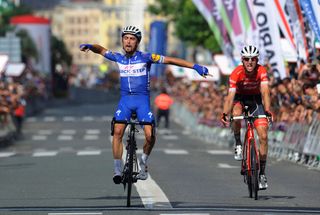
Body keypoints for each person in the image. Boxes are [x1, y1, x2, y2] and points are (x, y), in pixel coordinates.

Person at [80, 25, 209, 184]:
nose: (128, 41)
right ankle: (117, 169)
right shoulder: (118, 58)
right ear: (122, 40)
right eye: (125, 38)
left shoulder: (147, 57)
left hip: (142, 102)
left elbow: (170, 60)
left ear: (137, 42)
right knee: (118, 131)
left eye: (132, 39)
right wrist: (91, 46)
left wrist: (195, 67)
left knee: (150, 135)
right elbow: (101, 50)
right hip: (125, 102)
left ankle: (142, 162)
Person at [220, 45, 272, 190]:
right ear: (242, 60)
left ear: (257, 60)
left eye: (253, 59)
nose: (250, 62)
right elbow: (230, 97)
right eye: (247, 59)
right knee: (236, 114)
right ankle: (237, 143)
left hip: (255, 100)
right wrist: (225, 113)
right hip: (239, 99)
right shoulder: (236, 73)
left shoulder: (261, 71)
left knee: (263, 135)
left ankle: (262, 173)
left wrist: (267, 110)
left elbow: (266, 92)